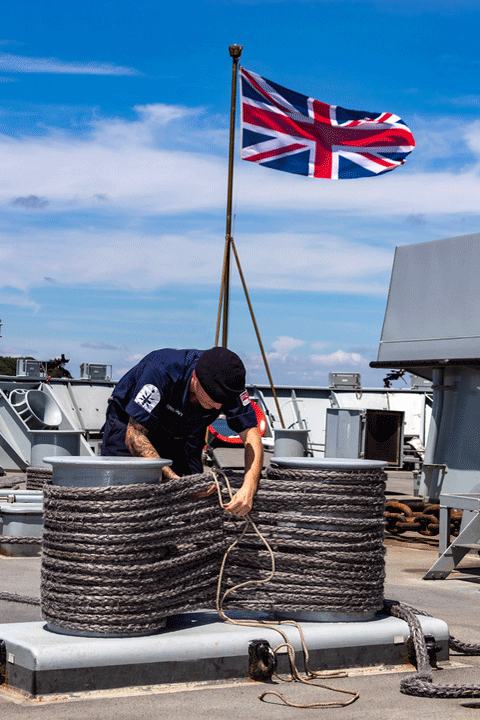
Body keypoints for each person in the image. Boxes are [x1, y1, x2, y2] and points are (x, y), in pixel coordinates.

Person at [101, 347, 263, 516]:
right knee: (123, 500)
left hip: (184, 430)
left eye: (223, 401)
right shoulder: (161, 370)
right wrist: (176, 482)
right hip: (132, 425)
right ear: (195, 378)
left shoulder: (228, 385)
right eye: (213, 398)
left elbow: (251, 434)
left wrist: (248, 488)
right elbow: (134, 435)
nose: (218, 407)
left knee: (194, 500)